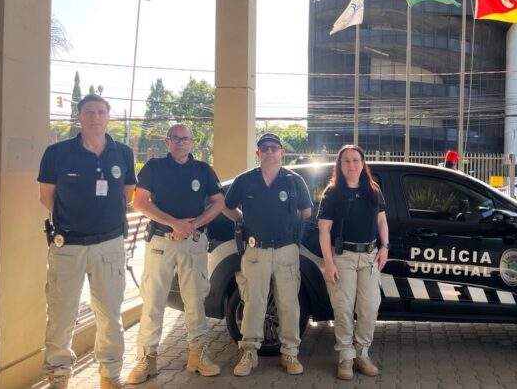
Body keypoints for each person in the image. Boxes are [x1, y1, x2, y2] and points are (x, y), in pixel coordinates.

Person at [37, 95, 136, 389]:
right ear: (78, 117)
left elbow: (127, 194)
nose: (96, 117)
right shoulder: (57, 153)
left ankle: (109, 373)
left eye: (101, 112)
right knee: (61, 314)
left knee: (109, 313)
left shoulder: (123, 153)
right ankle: (58, 376)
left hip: (109, 244)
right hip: (68, 245)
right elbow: (47, 197)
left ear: (108, 117)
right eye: (89, 112)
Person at [126, 124, 225, 383]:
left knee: (195, 299)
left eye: (186, 139)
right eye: (176, 138)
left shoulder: (203, 169)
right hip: (161, 241)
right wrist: (174, 223)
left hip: (193, 240)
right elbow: (139, 201)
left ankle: (198, 354)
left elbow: (219, 202)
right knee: (153, 300)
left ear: (192, 142)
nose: (181, 143)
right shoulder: (154, 167)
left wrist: (192, 225)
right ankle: (147, 359)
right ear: (167, 142)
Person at [223, 133, 312, 377]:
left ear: (281, 152)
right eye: (265, 148)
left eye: (274, 147)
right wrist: (242, 219)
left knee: (289, 305)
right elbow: (227, 206)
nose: (269, 151)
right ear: (258, 152)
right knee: (253, 303)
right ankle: (249, 352)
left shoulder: (295, 181)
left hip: (286, 251)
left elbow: (306, 211)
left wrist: (287, 227)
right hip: (256, 251)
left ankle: (290, 353)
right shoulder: (245, 180)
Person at [317, 145, 390, 380]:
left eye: (356, 160)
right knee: (344, 310)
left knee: (369, 309)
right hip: (343, 258)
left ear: (362, 163)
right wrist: (329, 263)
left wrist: (385, 247)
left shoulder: (373, 189)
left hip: (369, 257)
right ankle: (346, 358)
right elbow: (324, 230)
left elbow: (381, 221)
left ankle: (362, 354)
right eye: (346, 161)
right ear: (340, 165)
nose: (351, 165)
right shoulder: (332, 193)